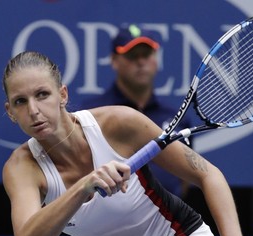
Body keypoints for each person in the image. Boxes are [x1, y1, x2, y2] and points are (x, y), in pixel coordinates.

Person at [1, 50, 253, 236]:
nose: (34, 110)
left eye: (42, 95)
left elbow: (208, 174)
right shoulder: (22, 167)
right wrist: (82, 188)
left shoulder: (118, 123)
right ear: (10, 112)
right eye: (20, 102)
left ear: (62, 94)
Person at [80, 23, 192, 199]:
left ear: (155, 59)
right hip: (110, 221)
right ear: (114, 61)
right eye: (132, 55)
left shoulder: (175, 117)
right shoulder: (92, 114)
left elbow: (185, 178)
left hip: (168, 220)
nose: (141, 62)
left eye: (146, 55)